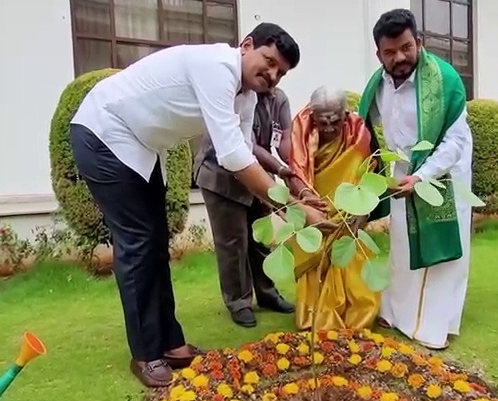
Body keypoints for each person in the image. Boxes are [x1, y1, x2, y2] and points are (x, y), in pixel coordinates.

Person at [67, 22, 329, 388]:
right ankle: (145, 353)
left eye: (280, 72)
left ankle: (170, 343)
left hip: (140, 147)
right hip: (103, 134)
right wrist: (295, 213)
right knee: (138, 245)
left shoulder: (247, 97)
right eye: (268, 61)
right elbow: (234, 156)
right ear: (246, 45)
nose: (272, 74)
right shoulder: (217, 68)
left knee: (155, 245)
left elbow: (246, 149)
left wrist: (296, 188)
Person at [357, 9, 473, 351]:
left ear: (418, 42)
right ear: (379, 54)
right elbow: (365, 128)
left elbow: (456, 142)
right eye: (390, 52)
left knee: (443, 256)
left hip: (443, 176)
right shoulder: (377, 85)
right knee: (402, 245)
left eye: (407, 47)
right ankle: (396, 313)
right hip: (401, 176)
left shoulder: (445, 80)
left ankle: (432, 325)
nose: (400, 57)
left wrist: (422, 175)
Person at [194, 87, 296, 328]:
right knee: (233, 242)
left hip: (259, 175)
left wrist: (297, 165)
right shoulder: (233, 96)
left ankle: (268, 294)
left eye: (280, 72)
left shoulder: (279, 98)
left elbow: (285, 139)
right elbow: (246, 144)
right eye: (269, 66)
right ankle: (239, 302)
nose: (273, 76)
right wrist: (279, 171)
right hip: (221, 177)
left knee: (259, 238)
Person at [287, 86, 387, 332]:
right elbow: (294, 174)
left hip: (348, 212)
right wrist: (308, 203)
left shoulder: (359, 134)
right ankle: (315, 315)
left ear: (345, 113)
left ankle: (353, 313)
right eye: (323, 122)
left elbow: (368, 174)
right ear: (313, 116)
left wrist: (361, 213)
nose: (330, 128)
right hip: (314, 209)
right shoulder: (301, 131)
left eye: (335, 121)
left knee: (350, 259)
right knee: (315, 258)